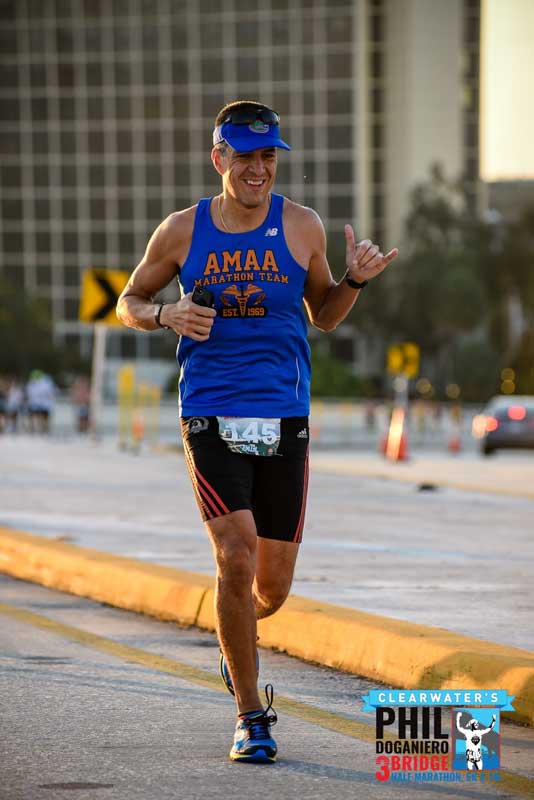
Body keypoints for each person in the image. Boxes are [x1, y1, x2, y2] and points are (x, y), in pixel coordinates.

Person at [116, 99, 398, 764]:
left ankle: (232, 639)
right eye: (244, 156)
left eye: (268, 156)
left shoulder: (301, 226)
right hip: (209, 412)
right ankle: (251, 714)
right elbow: (128, 301)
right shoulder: (181, 233)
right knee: (234, 555)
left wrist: (355, 278)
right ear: (219, 160)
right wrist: (165, 316)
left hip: (285, 417)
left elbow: (324, 315)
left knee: (270, 588)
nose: (258, 168)